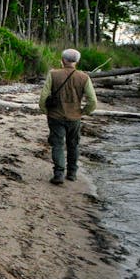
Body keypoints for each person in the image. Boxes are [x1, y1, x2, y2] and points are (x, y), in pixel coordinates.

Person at [39, 48, 97, 185]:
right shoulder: (84, 77)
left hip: (55, 116)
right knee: (73, 145)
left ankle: (59, 174)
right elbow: (92, 101)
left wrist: (45, 110)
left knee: (57, 145)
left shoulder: (53, 74)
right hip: (74, 117)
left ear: (63, 60)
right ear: (77, 61)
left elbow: (43, 96)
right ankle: (72, 173)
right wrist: (84, 112)